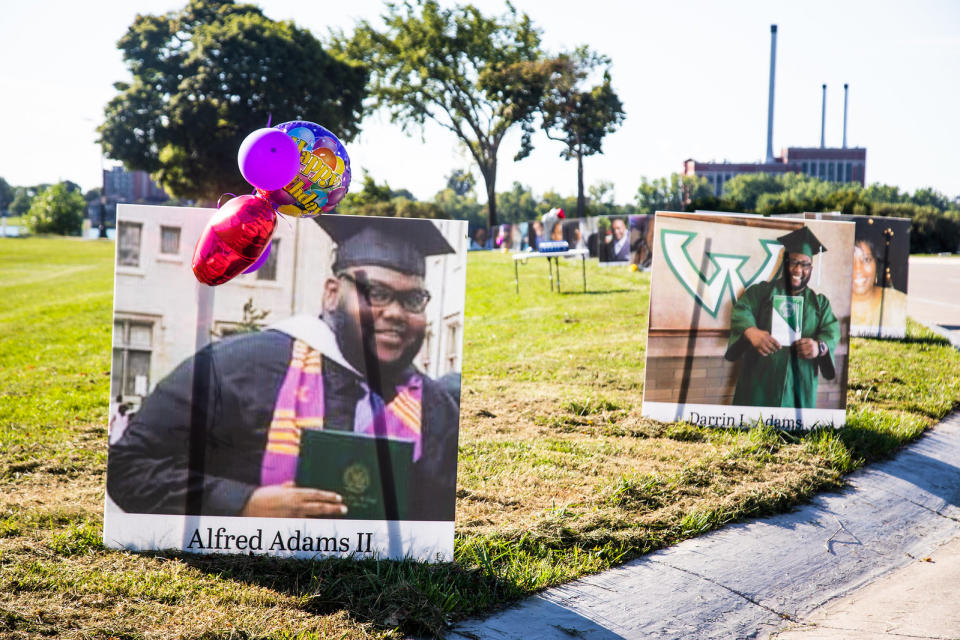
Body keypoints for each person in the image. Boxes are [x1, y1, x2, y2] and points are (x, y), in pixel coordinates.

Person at [107, 216, 460, 521]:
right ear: (332, 294)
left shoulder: (437, 409)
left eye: (413, 299)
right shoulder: (237, 366)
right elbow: (128, 468)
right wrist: (243, 504)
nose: (396, 313)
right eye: (376, 293)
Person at [724, 227, 840, 408]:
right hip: (759, 382)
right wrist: (751, 332)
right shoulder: (761, 292)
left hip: (799, 385)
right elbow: (742, 310)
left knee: (794, 433)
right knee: (753, 431)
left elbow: (831, 331)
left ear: (811, 268)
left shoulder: (820, 304)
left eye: (804, 264)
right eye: (793, 262)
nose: (798, 269)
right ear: (784, 262)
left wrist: (820, 347)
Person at [850, 237, 906, 334]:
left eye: (866, 259)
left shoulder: (898, 302)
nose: (858, 269)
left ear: (877, 263)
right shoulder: (830, 310)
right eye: (850, 260)